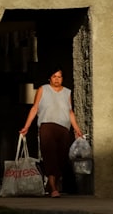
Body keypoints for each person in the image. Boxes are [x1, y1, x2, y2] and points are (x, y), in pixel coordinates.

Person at [19, 68, 83, 197]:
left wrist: (77, 129)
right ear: (50, 78)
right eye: (54, 76)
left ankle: (51, 183)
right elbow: (35, 108)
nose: (57, 79)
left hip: (64, 128)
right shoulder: (43, 89)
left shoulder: (67, 92)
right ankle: (54, 188)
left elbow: (70, 112)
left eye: (59, 77)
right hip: (47, 126)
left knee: (62, 157)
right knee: (50, 156)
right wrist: (26, 127)